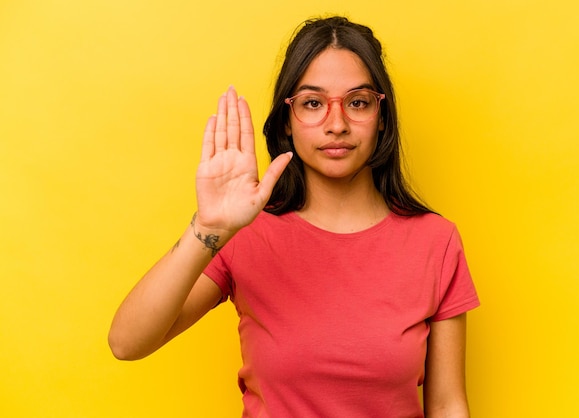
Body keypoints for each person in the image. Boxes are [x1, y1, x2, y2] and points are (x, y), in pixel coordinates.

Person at [108, 16, 480, 418]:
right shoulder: (244, 236)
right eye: (312, 103)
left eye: (357, 102)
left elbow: (446, 404)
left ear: (382, 115)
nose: (336, 125)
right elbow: (127, 343)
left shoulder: (435, 241)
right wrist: (208, 228)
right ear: (287, 120)